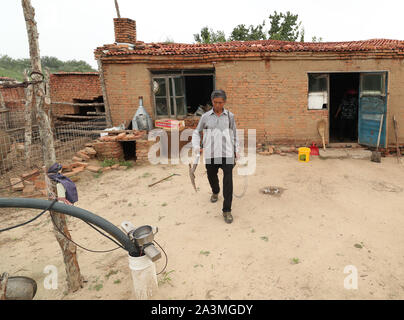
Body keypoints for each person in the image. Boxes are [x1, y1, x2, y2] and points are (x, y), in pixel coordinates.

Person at [192, 90, 239, 224]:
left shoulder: (230, 116)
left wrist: (237, 150)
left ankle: (227, 210)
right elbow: (197, 132)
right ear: (212, 101)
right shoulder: (205, 117)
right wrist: (197, 146)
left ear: (224, 102)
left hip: (227, 153)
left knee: (228, 181)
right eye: (216, 102)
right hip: (211, 153)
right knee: (211, 176)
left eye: (221, 102)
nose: (218, 105)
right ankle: (215, 191)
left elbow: (234, 134)